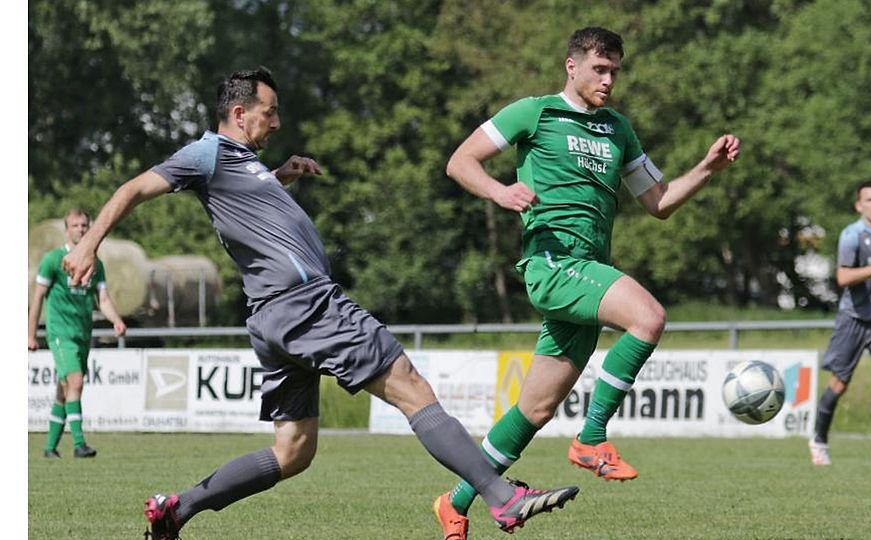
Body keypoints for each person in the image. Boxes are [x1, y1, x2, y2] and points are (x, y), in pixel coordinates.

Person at [61, 67, 578, 540]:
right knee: (410, 386)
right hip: (306, 305)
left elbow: (243, 205)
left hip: (273, 315)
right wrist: (89, 244)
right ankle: (502, 497)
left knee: (293, 451)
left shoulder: (243, 164)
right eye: (269, 112)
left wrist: (279, 175)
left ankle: (178, 508)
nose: (277, 121)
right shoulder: (207, 153)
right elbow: (133, 188)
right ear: (239, 115)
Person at [437, 27, 740, 539]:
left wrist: (707, 168)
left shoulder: (618, 129)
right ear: (571, 66)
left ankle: (456, 502)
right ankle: (591, 438)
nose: (608, 80)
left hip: (585, 272)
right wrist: (499, 191)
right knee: (649, 317)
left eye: (615, 71)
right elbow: (460, 162)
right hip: (553, 264)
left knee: (534, 409)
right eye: (600, 69)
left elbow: (659, 203)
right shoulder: (533, 112)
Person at [808, 180, 871, 466]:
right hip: (853, 319)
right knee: (839, 385)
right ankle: (819, 439)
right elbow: (843, 278)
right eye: (869, 199)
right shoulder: (851, 235)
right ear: (858, 205)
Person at [28, 208, 127, 458]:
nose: (81, 230)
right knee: (76, 382)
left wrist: (116, 320)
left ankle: (50, 448)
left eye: (84, 226)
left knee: (65, 389)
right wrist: (30, 334)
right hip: (60, 333)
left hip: (83, 333)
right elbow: (38, 297)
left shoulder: (96, 264)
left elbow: (102, 299)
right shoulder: (53, 260)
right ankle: (79, 444)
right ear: (66, 229)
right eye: (75, 226)